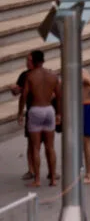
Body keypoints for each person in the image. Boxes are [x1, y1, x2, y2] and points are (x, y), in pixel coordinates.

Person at [21, 50, 60, 187]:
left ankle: (37, 179)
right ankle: (53, 178)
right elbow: (59, 96)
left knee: (35, 148)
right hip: (49, 109)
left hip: (36, 109)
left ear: (33, 61)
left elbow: (24, 95)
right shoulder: (52, 75)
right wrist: (59, 114)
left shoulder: (30, 76)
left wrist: (20, 112)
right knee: (50, 147)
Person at [11, 52, 37, 181]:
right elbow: (19, 93)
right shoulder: (24, 75)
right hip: (36, 111)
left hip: (38, 111)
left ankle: (48, 172)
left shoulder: (40, 75)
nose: (27, 63)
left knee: (44, 143)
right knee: (32, 143)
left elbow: (22, 95)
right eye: (27, 60)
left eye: (29, 60)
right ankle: (32, 170)